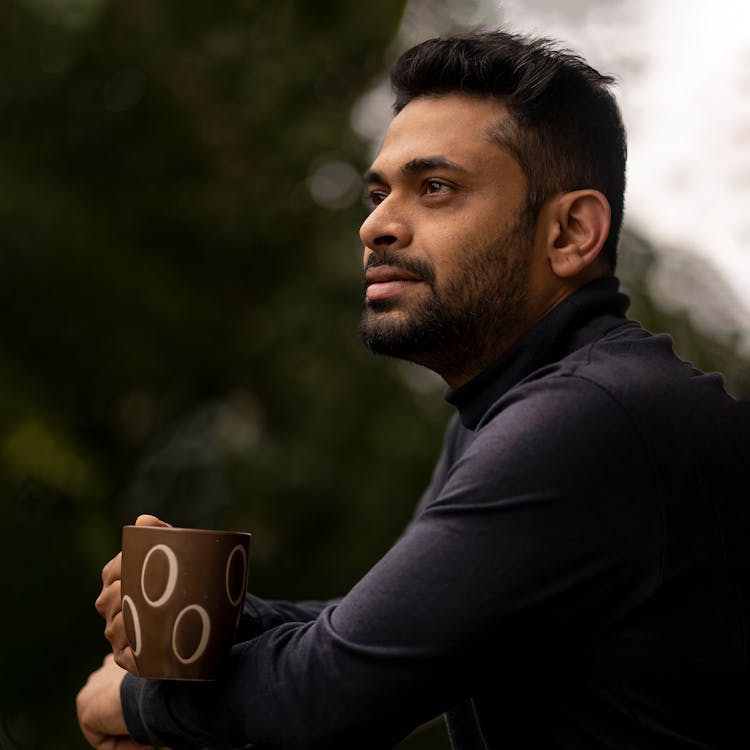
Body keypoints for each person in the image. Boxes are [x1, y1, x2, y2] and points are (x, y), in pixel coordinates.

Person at [77, 29, 750, 749]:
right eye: (377, 192)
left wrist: (132, 700)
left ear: (571, 233)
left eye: (435, 188)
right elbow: (399, 631)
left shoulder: (595, 418)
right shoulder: (508, 406)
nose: (375, 226)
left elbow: (329, 695)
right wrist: (220, 623)